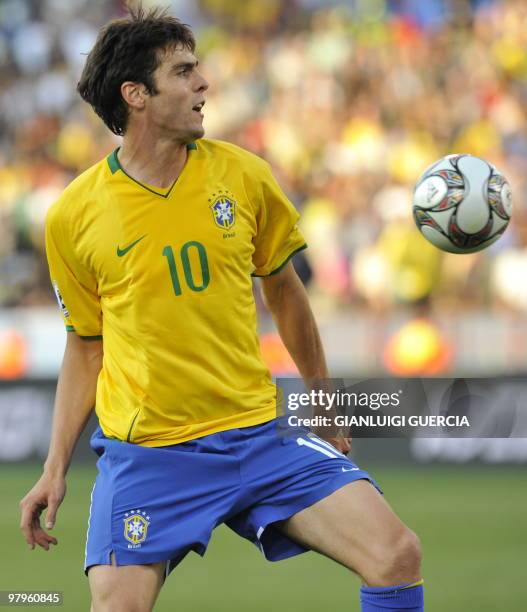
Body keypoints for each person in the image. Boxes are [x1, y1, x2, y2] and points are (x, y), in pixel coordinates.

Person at [19, 8, 424, 612]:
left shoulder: (243, 175)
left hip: (259, 434)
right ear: (136, 95)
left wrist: (323, 400)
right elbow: (86, 344)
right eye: (183, 72)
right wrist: (55, 468)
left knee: (397, 554)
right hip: (152, 454)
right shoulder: (74, 216)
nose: (203, 83)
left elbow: (286, 294)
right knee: (116, 608)